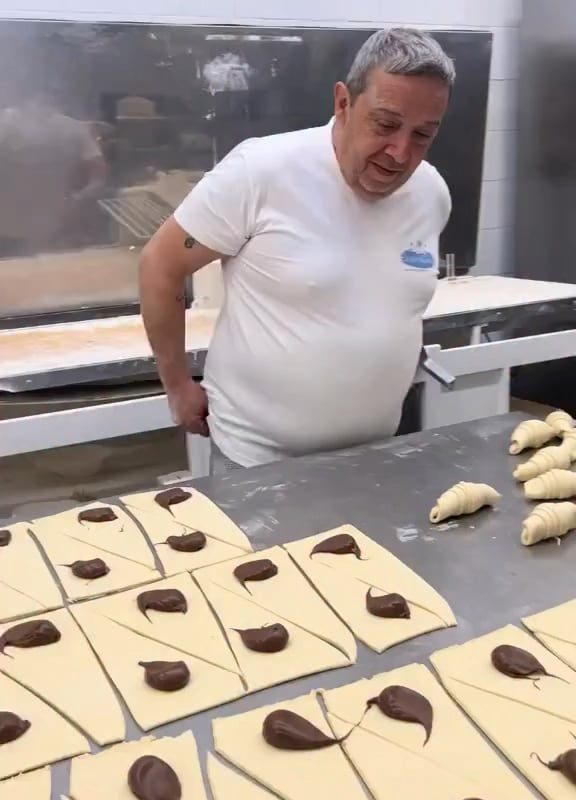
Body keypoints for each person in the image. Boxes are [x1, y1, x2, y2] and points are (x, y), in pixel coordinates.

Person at [140, 28, 454, 473]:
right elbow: (161, 265)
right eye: (385, 125)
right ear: (343, 103)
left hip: (376, 457)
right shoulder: (262, 172)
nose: (400, 153)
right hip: (257, 462)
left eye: (422, 135)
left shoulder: (431, 194)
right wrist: (176, 385)